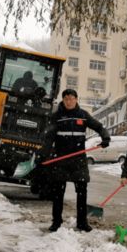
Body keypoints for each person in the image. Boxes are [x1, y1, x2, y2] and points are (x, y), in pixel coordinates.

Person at [37, 89, 110, 232]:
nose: (69, 101)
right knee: (58, 192)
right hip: (60, 158)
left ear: (76, 99)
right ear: (63, 100)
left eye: (71, 98)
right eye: (66, 99)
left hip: (79, 159)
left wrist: (105, 138)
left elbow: (99, 127)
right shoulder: (56, 117)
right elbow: (48, 138)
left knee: (82, 191)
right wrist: (43, 155)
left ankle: (82, 222)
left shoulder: (83, 115)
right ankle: (56, 222)